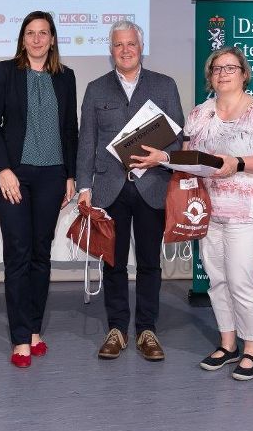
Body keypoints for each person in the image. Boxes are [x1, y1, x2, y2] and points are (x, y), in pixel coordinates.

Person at [75, 20, 184, 361]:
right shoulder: (96, 89)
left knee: (151, 263)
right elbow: (86, 142)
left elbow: (179, 138)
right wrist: (83, 187)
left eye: (131, 44)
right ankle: (118, 330)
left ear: (141, 46)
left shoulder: (164, 86)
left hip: (152, 186)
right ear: (111, 50)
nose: (125, 50)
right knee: (114, 264)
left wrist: (159, 157)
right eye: (119, 45)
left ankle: (147, 330)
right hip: (110, 189)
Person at [0, 11, 78, 368]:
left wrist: (69, 175)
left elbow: (70, 129)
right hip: (14, 176)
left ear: (52, 39)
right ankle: (20, 338)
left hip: (53, 175)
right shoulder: (6, 72)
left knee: (41, 253)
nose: (37, 39)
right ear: (22, 38)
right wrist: (4, 168)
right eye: (30, 33)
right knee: (19, 252)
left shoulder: (65, 77)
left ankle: (35, 329)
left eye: (44, 33)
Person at [183, 47, 253, 380]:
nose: (223, 73)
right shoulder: (199, 113)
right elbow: (187, 155)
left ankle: (252, 348)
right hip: (207, 210)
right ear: (209, 76)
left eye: (231, 67)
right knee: (217, 280)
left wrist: (238, 163)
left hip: (246, 211)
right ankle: (227, 344)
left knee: (241, 281)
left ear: (244, 73)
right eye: (216, 68)